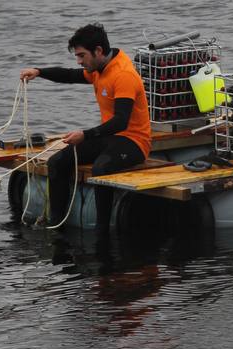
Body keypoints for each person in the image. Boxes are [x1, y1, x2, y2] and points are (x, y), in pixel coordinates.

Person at [20, 23, 152, 230]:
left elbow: (121, 121)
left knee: (101, 168)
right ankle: (56, 223)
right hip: (110, 137)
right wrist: (39, 72)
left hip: (134, 142)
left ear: (98, 51)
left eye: (82, 56)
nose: (79, 61)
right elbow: (70, 75)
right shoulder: (99, 68)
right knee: (57, 162)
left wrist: (85, 135)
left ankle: (102, 230)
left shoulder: (123, 75)